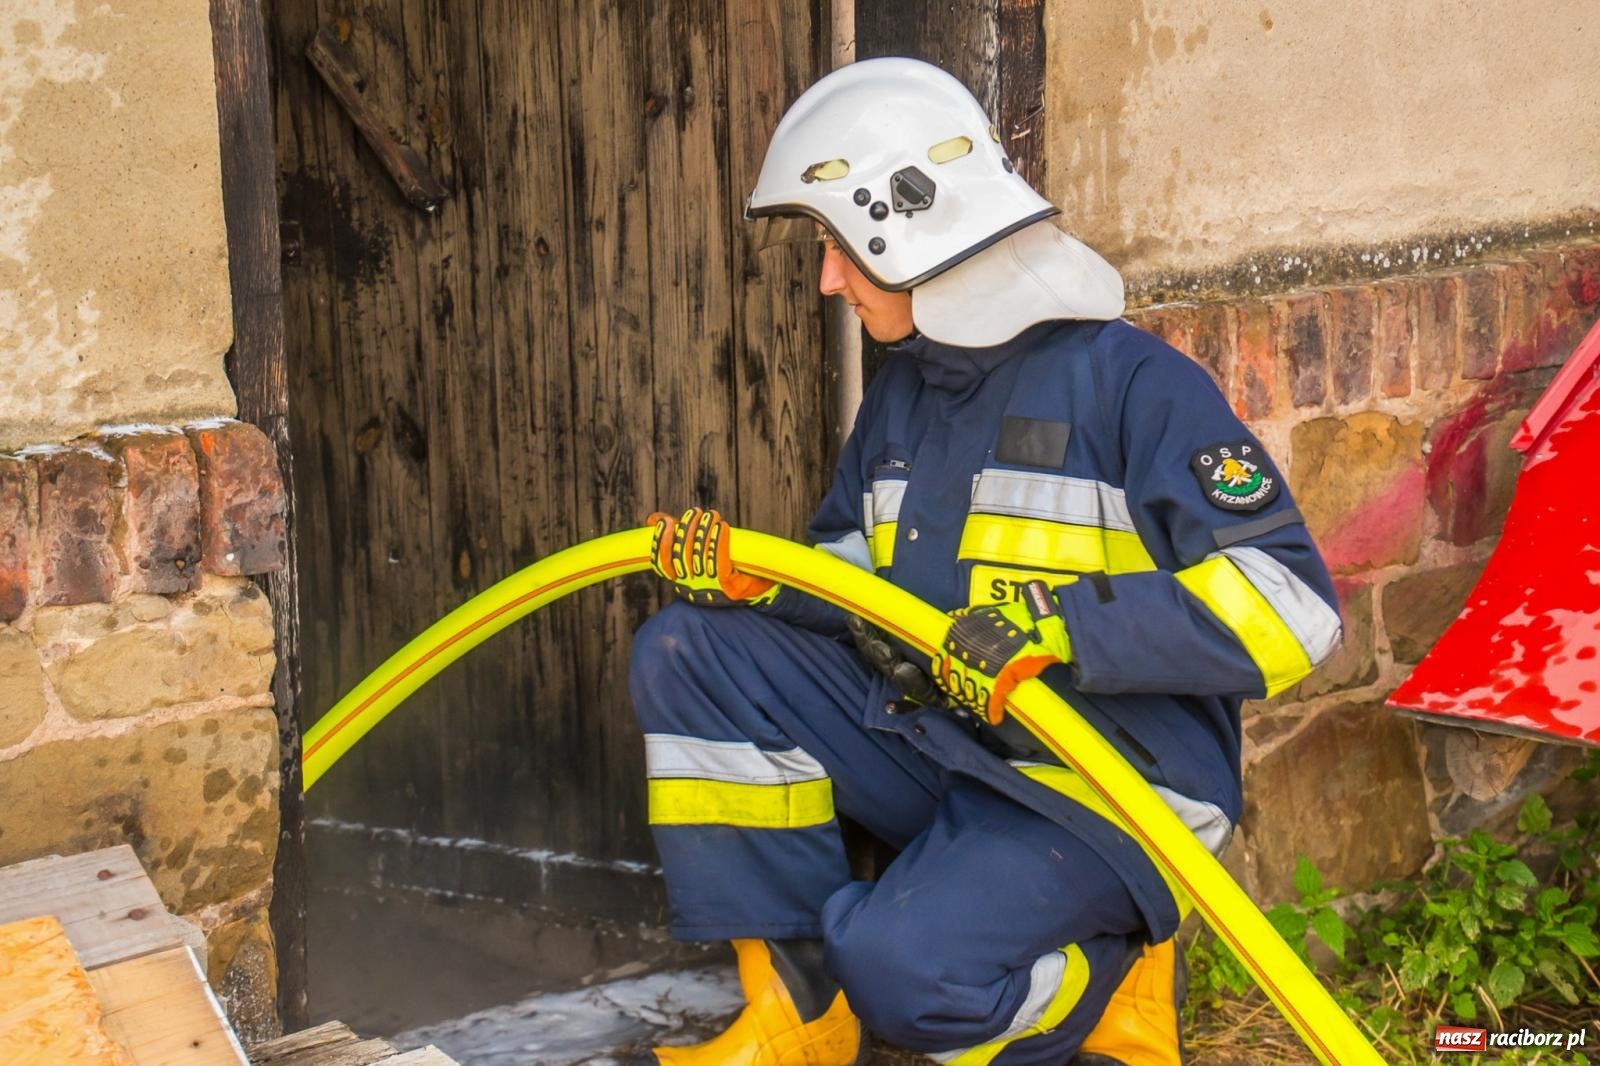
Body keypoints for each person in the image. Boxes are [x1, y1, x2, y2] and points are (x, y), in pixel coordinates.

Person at [628, 57, 1340, 1066]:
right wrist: (767, 581)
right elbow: (854, 567)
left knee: (906, 981)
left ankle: (1113, 983)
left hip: (1106, 783)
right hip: (947, 741)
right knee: (689, 648)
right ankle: (800, 1010)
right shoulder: (907, 391)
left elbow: (1296, 607)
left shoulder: (1135, 387)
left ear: (908, 233)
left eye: (838, 248)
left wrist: (1061, 633)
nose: (828, 278)